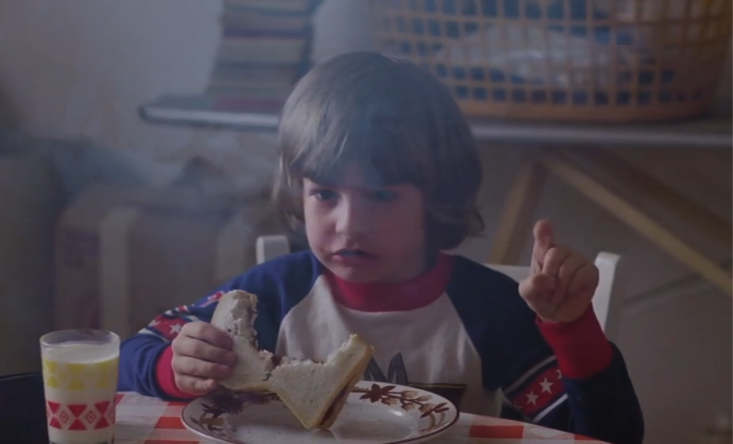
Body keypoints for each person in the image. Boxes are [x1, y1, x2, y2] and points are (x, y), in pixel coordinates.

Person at [118, 51, 644, 444]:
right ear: (298, 192)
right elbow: (128, 357)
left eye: (382, 195)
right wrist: (175, 366)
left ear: (437, 198)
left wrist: (573, 329)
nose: (349, 224)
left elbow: (606, 435)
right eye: (325, 194)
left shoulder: (490, 310)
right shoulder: (274, 291)